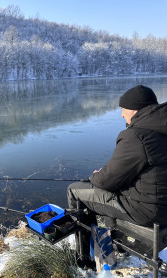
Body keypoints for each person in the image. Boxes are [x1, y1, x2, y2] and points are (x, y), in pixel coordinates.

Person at [67, 85, 167, 262]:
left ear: (135, 110)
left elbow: (107, 181)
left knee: (76, 190)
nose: (121, 115)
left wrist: (95, 176)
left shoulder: (137, 136)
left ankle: (85, 258)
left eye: (123, 110)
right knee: (101, 189)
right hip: (162, 203)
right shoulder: (161, 127)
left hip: (149, 211)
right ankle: (115, 244)